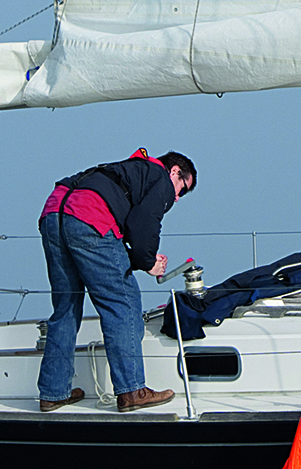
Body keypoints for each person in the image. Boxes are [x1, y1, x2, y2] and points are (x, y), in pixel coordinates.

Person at [37, 148, 196, 413]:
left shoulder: (128, 169)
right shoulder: (160, 178)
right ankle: (132, 391)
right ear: (175, 171)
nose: (177, 198)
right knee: (123, 304)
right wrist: (148, 263)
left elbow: (105, 251)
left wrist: (138, 259)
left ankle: (54, 393)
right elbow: (144, 222)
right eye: (182, 188)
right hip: (89, 215)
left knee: (66, 307)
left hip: (54, 212)